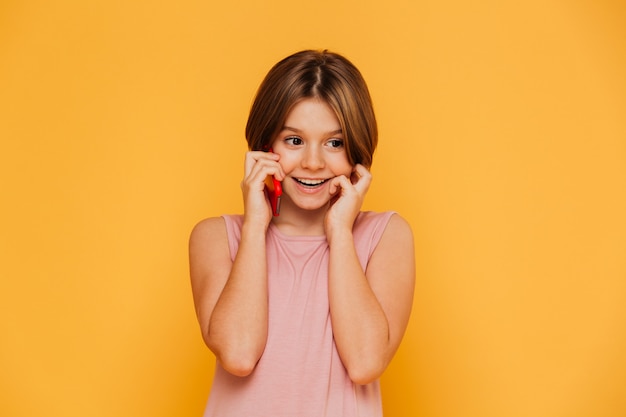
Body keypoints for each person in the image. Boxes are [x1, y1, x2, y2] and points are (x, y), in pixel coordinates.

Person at [189, 49, 415, 417]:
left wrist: (340, 231)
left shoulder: (385, 236)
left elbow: (365, 363)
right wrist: (256, 225)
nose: (313, 162)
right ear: (265, 146)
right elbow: (239, 353)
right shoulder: (216, 237)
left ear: (357, 151)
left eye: (334, 143)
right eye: (294, 141)